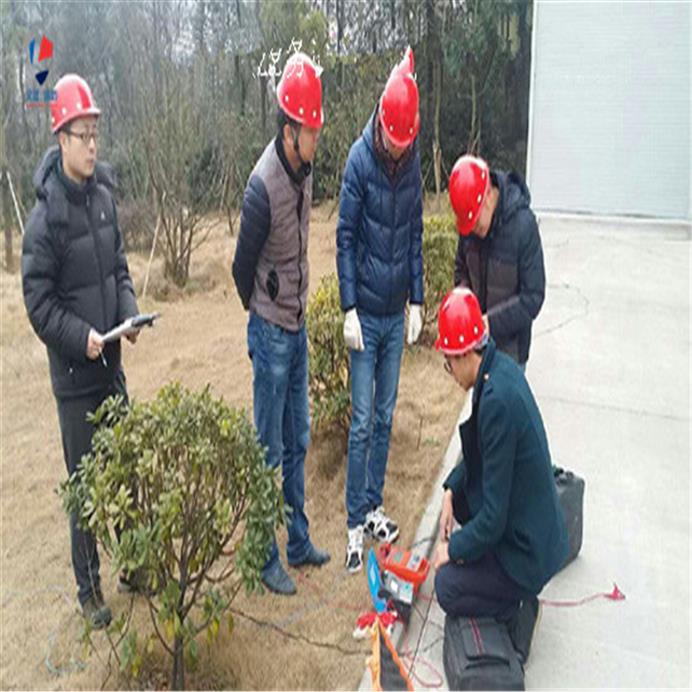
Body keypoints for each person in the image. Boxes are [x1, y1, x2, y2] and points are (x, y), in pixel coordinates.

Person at [22, 74, 140, 628]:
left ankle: (135, 563)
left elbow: (117, 268)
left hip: (111, 364)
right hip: (74, 378)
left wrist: (126, 314)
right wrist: (82, 339)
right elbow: (38, 303)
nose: (93, 145)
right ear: (61, 138)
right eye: (82, 135)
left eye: (96, 134)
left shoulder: (104, 200)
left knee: (127, 469)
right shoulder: (45, 219)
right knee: (86, 486)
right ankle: (89, 590)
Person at [232, 52, 330, 596]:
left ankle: (297, 541)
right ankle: (264, 554)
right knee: (267, 448)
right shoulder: (261, 187)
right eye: (310, 130)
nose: (316, 138)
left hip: (297, 329)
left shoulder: (305, 171)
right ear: (289, 130)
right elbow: (239, 270)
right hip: (270, 333)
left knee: (299, 438)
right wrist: (265, 306)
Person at [432, 286, 567, 654]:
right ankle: (504, 586)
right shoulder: (497, 369)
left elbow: (492, 520)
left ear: (462, 354)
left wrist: (452, 550)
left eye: (448, 361)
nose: (449, 371)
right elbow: (477, 455)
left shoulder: (498, 402)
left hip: (526, 552)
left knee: (447, 586)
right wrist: (448, 491)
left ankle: (518, 604)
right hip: (529, 525)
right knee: (461, 501)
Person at [336, 47, 424, 573]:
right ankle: (352, 521)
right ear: (382, 125)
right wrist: (348, 307)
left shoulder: (410, 162)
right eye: (395, 139)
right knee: (363, 420)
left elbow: (413, 232)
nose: (399, 148)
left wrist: (417, 298)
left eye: (406, 141)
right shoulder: (358, 160)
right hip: (366, 313)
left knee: (387, 416)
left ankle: (373, 506)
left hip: (395, 312)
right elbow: (345, 237)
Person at [449, 154, 545, 370]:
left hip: (511, 353)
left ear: (489, 197)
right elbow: (460, 269)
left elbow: (533, 296)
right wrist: (465, 307)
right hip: (476, 349)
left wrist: (490, 323)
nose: (473, 231)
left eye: (476, 224)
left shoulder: (523, 226)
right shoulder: (469, 228)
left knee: (504, 403)